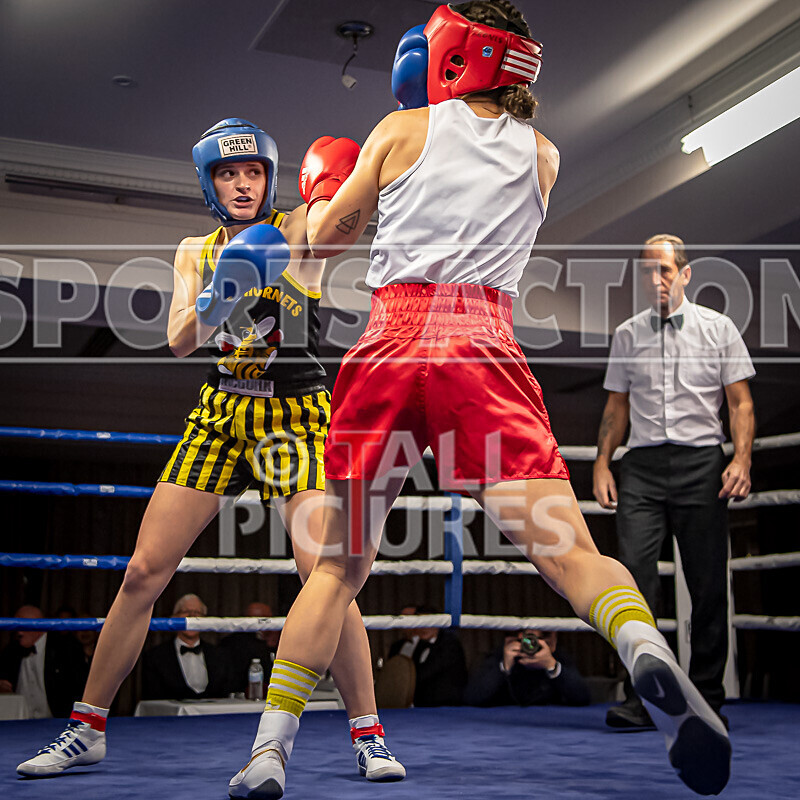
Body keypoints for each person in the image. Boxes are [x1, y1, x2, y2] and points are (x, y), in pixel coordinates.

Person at [229, 4, 730, 798]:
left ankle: (267, 753)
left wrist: (321, 199)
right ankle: (648, 656)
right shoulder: (546, 154)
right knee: (569, 554)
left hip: (391, 344)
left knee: (336, 568)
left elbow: (322, 246)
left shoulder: (403, 130)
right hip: (484, 348)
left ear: (454, 54)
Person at [16, 118, 404, 783]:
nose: (243, 183)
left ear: (270, 178)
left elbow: (348, 223)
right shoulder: (194, 248)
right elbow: (177, 340)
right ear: (210, 183)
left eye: (253, 172)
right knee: (143, 571)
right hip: (220, 412)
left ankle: (368, 734)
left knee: (326, 575)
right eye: (229, 173)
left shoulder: (298, 228)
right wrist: (219, 291)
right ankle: (86, 727)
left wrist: (365, 172)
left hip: (294, 413)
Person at [593, 233, 756, 730]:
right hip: (641, 467)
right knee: (633, 580)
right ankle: (645, 699)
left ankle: (706, 700)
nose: (656, 279)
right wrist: (602, 462)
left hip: (702, 463)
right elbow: (616, 407)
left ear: (685, 274)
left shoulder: (719, 328)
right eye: (648, 271)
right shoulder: (626, 334)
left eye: (665, 270)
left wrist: (742, 460)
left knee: (707, 585)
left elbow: (740, 403)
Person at [465, 628, 590, 707]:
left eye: (536, 640)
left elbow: (582, 698)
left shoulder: (556, 656)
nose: (530, 645)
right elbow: (473, 698)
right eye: (527, 639)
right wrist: (504, 667)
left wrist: (551, 666)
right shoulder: (501, 654)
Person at [0, 606, 86, 718]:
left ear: (38, 626)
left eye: (22, 626)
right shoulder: (11, 650)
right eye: (16, 626)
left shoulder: (66, 648)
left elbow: (78, 689)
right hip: (19, 721)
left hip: (55, 722)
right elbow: (4, 681)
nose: (18, 632)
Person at [142, 594, 232, 700]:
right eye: (186, 612)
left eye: (197, 613)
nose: (192, 617)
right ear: (174, 618)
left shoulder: (220, 655)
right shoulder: (155, 656)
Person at [385, 605, 467, 706]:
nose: (423, 628)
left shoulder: (449, 643)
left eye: (428, 623)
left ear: (437, 624)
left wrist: (400, 684)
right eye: (420, 624)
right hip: (423, 706)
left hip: (447, 705)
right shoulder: (420, 644)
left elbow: (425, 673)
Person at [219, 601, 281, 693]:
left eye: (263, 618)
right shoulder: (235, 642)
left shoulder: (282, 636)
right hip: (246, 693)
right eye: (253, 619)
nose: (257, 624)